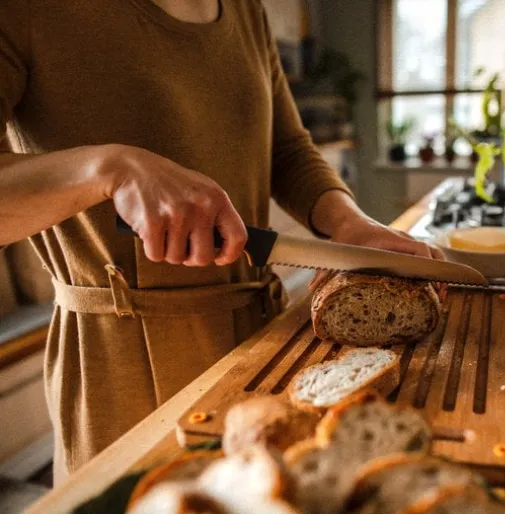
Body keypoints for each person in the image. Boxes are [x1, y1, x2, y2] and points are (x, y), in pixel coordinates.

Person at [0, 0, 441, 483]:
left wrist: (348, 224)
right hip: (121, 369)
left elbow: (288, 150)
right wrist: (108, 169)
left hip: (262, 344)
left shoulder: (246, 10)